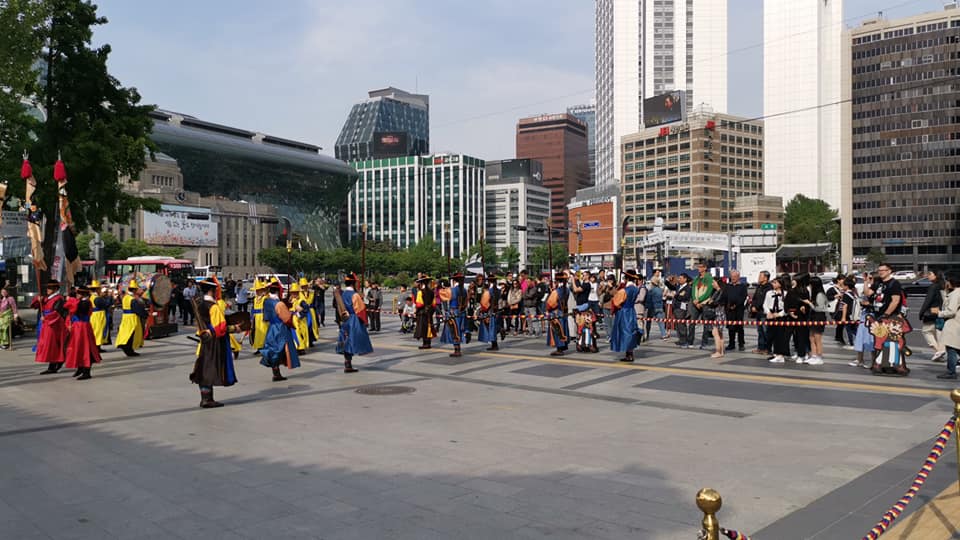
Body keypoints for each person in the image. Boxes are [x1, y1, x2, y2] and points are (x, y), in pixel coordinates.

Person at [190, 279, 240, 407]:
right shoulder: (214, 306)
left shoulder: (200, 304)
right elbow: (220, 328)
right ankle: (207, 400)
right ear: (212, 291)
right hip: (215, 342)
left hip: (205, 340)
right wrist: (235, 328)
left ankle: (206, 398)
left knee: (204, 367)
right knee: (211, 368)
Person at [869, 263, 911, 375]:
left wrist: (886, 314)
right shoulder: (878, 283)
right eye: (879, 270)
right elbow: (868, 293)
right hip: (879, 317)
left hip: (891, 317)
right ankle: (882, 365)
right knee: (881, 340)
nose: (880, 272)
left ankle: (896, 366)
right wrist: (866, 281)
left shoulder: (894, 283)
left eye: (883, 270)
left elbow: (895, 300)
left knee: (895, 340)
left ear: (889, 271)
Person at [260, 281, 301, 381]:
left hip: (272, 327)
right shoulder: (279, 304)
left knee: (273, 349)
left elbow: (266, 317)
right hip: (281, 328)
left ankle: (276, 372)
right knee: (280, 350)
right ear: (278, 291)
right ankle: (276, 373)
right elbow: (287, 319)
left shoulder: (266, 301)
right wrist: (295, 312)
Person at [334, 273, 370, 373]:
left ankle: (347, 362)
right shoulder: (355, 295)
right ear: (353, 283)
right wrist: (364, 321)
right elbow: (361, 310)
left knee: (346, 340)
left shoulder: (343, 294)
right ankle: (348, 364)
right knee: (353, 340)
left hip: (345, 319)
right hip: (354, 319)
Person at [65, 286, 102, 380]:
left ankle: (86, 371)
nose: (77, 295)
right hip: (77, 327)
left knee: (86, 349)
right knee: (78, 348)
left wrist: (71, 300)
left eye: (78, 293)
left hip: (83, 327)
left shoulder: (86, 303)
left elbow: (78, 310)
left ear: (83, 294)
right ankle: (80, 367)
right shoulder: (81, 302)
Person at [931, 272, 959, 379]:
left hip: (954, 323)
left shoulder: (955, 294)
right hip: (956, 323)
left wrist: (938, 313)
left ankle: (951, 372)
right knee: (955, 347)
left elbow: (951, 311)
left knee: (951, 348)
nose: (946, 283)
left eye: (947, 281)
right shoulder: (955, 292)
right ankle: (951, 371)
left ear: (951, 282)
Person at [36, 280, 68, 374]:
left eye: (50, 288)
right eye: (48, 288)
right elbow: (38, 306)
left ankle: (54, 364)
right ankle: (54, 364)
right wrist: (39, 300)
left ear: (55, 289)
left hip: (54, 324)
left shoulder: (59, 299)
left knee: (52, 344)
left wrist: (46, 318)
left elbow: (57, 313)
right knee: (50, 344)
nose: (47, 290)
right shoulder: (48, 298)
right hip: (47, 323)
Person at [610, 269, 642, 362]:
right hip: (631, 310)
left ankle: (628, 354)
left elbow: (616, 302)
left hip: (623, 312)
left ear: (627, 279)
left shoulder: (624, 290)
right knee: (631, 331)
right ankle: (630, 353)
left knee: (624, 332)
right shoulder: (636, 289)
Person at [918, 270, 946, 362]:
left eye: (930, 274)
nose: (928, 276)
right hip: (941, 312)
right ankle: (940, 353)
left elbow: (928, 301)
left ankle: (939, 351)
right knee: (938, 333)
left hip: (931, 312)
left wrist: (921, 312)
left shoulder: (933, 286)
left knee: (926, 331)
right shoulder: (943, 285)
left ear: (936, 276)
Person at [803, 276, 830, 365]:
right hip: (813, 317)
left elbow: (819, 308)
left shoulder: (820, 295)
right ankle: (813, 356)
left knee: (817, 338)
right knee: (811, 337)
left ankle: (819, 357)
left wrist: (809, 303)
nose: (810, 286)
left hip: (819, 317)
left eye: (811, 284)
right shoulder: (815, 294)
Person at [785, 273, 811, 363]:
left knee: (801, 336)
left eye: (794, 280)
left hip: (801, 317)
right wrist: (790, 312)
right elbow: (786, 303)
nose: (792, 281)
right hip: (791, 316)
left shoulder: (805, 291)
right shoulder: (791, 291)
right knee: (788, 335)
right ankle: (791, 352)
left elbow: (806, 304)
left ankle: (802, 354)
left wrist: (804, 308)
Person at [116, 279, 146, 357]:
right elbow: (137, 310)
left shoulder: (125, 297)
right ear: (135, 290)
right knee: (131, 334)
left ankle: (126, 346)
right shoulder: (132, 299)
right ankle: (128, 349)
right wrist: (145, 315)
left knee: (126, 332)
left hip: (125, 317)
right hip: (132, 318)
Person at [440, 273, 468, 357]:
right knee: (459, 329)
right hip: (462, 312)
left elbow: (442, 296)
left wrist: (443, 288)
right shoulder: (464, 290)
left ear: (454, 281)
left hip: (454, 311)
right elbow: (466, 301)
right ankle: (459, 346)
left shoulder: (452, 290)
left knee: (454, 330)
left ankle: (457, 349)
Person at [765, 276, 789, 363]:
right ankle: (775, 353)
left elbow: (787, 307)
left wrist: (779, 314)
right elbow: (765, 304)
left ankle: (780, 355)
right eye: (773, 282)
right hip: (771, 315)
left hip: (781, 316)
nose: (773, 284)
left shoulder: (785, 294)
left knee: (780, 336)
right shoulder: (769, 293)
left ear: (780, 284)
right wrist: (768, 313)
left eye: (775, 282)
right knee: (771, 335)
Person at [545, 273, 571, 356]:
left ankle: (559, 348)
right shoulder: (567, 290)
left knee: (558, 330)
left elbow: (550, 304)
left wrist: (548, 309)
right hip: (564, 312)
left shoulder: (556, 292)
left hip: (556, 313)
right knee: (563, 329)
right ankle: (563, 346)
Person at [690, 263, 714, 349]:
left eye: (700, 267)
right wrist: (695, 300)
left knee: (706, 324)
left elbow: (708, 291)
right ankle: (690, 341)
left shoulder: (709, 278)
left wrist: (699, 300)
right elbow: (693, 289)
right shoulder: (696, 278)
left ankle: (704, 343)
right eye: (698, 267)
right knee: (692, 322)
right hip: (696, 303)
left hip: (705, 303)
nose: (699, 269)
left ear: (705, 268)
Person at [724, 270, 748, 352]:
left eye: (735, 277)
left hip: (738, 310)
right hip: (729, 310)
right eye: (732, 276)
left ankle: (741, 344)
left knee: (740, 327)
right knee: (731, 327)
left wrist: (736, 305)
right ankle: (731, 344)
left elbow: (743, 297)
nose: (733, 278)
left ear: (738, 277)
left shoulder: (742, 286)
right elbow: (725, 296)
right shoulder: (728, 286)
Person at [750, 271, 772, 355]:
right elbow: (755, 298)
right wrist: (753, 306)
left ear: (765, 278)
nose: (759, 278)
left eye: (760, 276)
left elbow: (764, 299)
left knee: (766, 330)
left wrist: (757, 306)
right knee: (760, 331)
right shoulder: (759, 286)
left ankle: (767, 348)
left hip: (764, 312)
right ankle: (760, 347)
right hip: (758, 313)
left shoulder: (769, 287)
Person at [478, 273, 501, 351]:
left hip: (489, 310)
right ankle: (494, 344)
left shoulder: (489, 291)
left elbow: (485, 303)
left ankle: (499, 332)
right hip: (495, 310)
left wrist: (483, 309)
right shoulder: (497, 290)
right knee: (492, 328)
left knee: (490, 328)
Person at [705, 279, 727, 358]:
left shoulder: (721, 292)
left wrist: (711, 302)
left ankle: (718, 351)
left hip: (718, 314)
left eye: (713, 282)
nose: (712, 284)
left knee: (715, 332)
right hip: (718, 313)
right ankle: (721, 351)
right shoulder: (716, 291)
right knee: (720, 333)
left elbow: (715, 302)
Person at [414, 276, 436, 349]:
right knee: (429, 326)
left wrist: (416, 311)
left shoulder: (420, 292)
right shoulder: (432, 292)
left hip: (422, 312)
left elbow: (419, 304)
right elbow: (434, 304)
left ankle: (425, 343)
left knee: (423, 328)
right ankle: (428, 343)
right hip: (429, 312)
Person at [88, 281, 110, 353]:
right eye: (99, 289)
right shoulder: (97, 298)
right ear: (97, 289)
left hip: (94, 315)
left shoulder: (91, 297)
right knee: (99, 331)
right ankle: (97, 347)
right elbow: (105, 305)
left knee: (96, 331)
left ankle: (97, 346)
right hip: (99, 316)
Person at [288, 283, 309, 354]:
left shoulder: (301, 301)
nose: (294, 294)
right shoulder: (290, 300)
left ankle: (301, 348)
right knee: (294, 334)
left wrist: (299, 313)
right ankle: (296, 347)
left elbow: (306, 310)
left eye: (295, 292)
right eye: (292, 293)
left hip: (300, 321)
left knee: (300, 334)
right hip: (292, 320)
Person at [673, 274, 693, 349]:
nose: (679, 279)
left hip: (682, 308)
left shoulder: (688, 288)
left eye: (681, 278)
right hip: (676, 307)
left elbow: (685, 297)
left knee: (681, 325)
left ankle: (684, 341)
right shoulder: (678, 286)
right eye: (679, 278)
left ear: (685, 279)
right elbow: (671, 286)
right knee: (678, 325)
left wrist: (675, 295)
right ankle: (680, 339)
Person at [250, 279, 270, 353]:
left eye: (259, 290)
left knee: (264, 333)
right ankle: (259, 348)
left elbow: (268, 308)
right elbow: (253, 309)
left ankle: (265, 347)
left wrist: (266, 318)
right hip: (256, 318)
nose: (257, 292)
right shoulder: (255, 299)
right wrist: (251, 317)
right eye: (256, 290)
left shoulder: (265, 298)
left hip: (263, 317)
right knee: (257, 333)